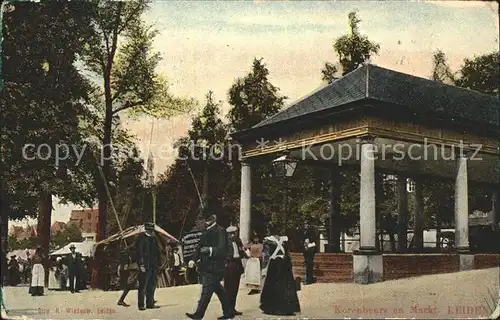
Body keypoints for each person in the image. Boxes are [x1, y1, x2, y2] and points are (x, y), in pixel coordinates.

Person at [186, 208, 233, 320]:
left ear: (214, 218)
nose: (206, 221)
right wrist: (193, 259)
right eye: (205, 219)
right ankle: (229, 312)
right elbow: (199, 248)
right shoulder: (205, 231)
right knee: (220, 291)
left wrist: (210, 250)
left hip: (215, 267)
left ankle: (198, 315)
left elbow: (222, 250)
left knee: (206, 292)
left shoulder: (221, 231)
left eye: (209, 218)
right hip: (206, 266)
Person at [260, 234, 300, 316]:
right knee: (275, 284)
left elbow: (288, 253)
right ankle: (274, 308)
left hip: (283, 263)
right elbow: (265, 255)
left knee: (285, 285)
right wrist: (264, 268)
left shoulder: (285, 239)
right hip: (275, 264)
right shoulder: (268, 240)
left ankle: (286, 308)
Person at [135, 222, 159, 311]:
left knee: (152, 285)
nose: (151, 232)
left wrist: (158, 264)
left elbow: (157, 252)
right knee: (143, 285)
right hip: (144, 265)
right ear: (146, 230)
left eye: (152, 230)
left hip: (153, 266)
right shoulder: (141, 239)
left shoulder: (154, 239)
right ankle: (141, 305)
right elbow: (139, 253)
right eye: (150, 230)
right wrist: (141, 265)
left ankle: (150, 303)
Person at [224, 226, 248, 316]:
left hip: (237, 264)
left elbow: (241, 251)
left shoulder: (238, 241)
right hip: (229, 264)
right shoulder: (224, 242)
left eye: (235, 233)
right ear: (228, 234)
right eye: (231, 233)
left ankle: (232, 308)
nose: (233, 235)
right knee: (228, 289)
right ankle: (227, 310)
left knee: (235, 288)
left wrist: (245, 253)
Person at [302, 220, 317, 285]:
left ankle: (307, 280)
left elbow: (307, 240)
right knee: (309, 264)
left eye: (306, 224)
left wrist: (306, 245)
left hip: (309, 248)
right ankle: (309, 279)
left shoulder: (309, 231)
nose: (306, 225)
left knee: (308, 264)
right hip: (309, 249)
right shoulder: (311, 231)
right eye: (305, 224)